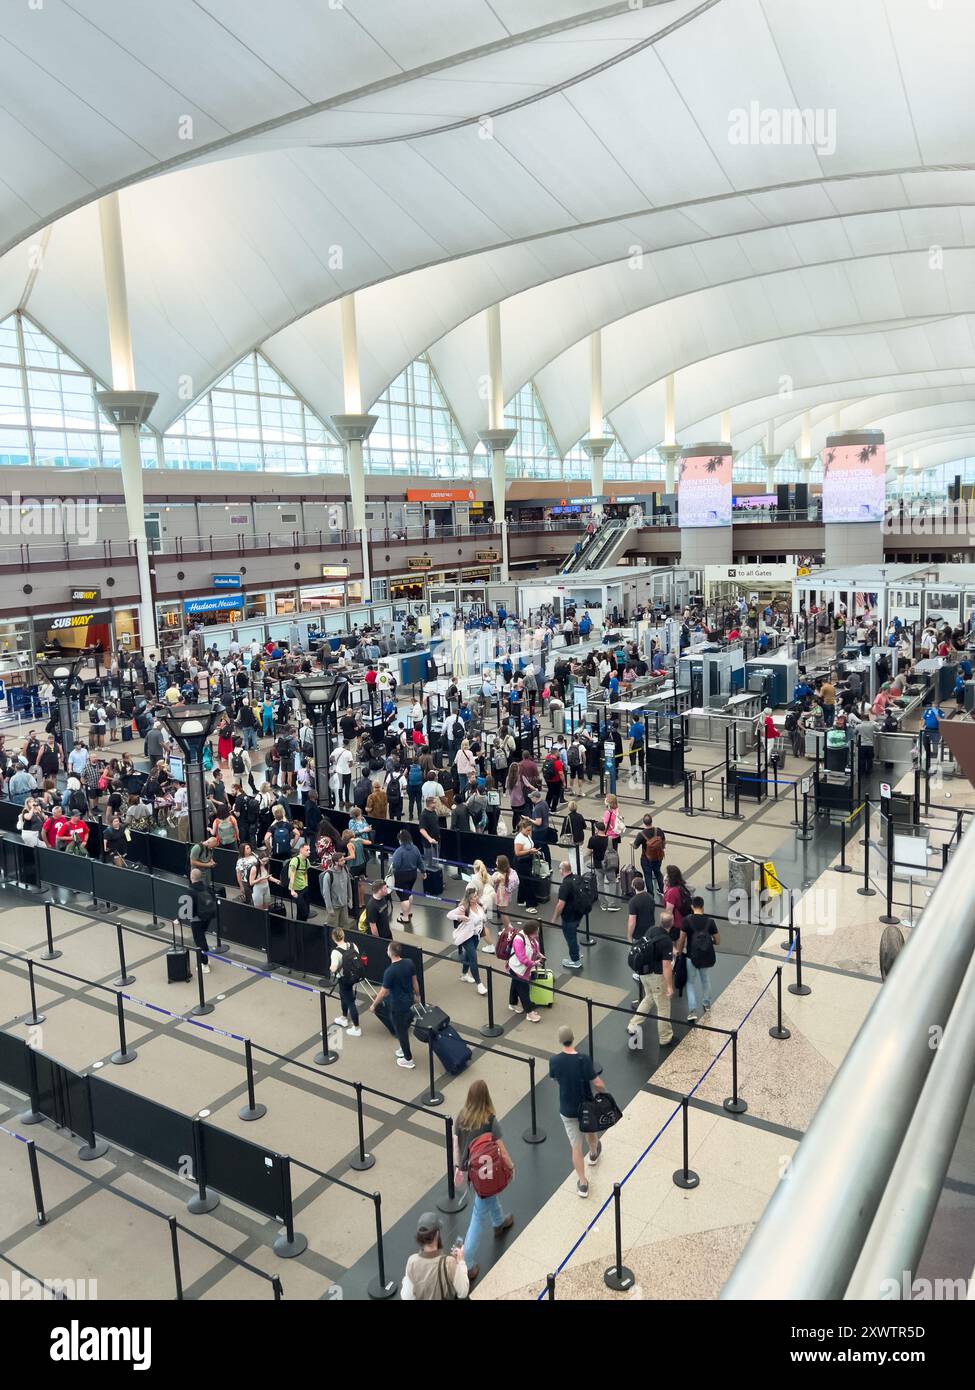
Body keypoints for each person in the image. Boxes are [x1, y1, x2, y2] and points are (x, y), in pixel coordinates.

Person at [453, 1079, 515, 1264]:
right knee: (478, 1215)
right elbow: (501, 1149)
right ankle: (468, 1262)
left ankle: (499, 1222)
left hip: (472, 1170)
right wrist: (511, 1166)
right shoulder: (489, 1119)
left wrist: (458, 1167)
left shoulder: (461, 1117)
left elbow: (456, 1145)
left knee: (487, 1195)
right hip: (488, 1171)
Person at [549, 1024, 605, 1198]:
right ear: (573, 1039)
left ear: (560, 1041)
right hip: (586, 1106)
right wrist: (605, 1093)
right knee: (590, 1129)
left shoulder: (554, 1061)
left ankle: (582, 1183)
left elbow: (555, 1078)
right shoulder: (584, 1059)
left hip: (567, 1109)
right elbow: (597, 1083)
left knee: (576, 1147)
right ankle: (594, 1153)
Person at [369, 940, 420, 1069]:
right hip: (409, 1000)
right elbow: (415, 981)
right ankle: (403, 1049)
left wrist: (374, 1005)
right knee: (404, 1024)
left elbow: (383, 992)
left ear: (390, 953)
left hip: (398, 1005)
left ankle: (408, 1059)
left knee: (401, 1032)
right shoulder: (409, 963)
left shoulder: (390, 972)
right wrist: (418, 995)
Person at [627, 911, 675, 1047]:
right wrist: (670, 986)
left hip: (643, 973)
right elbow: (666, 966)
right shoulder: (666, 941)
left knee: (649, 997)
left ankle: (633, 1025)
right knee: (663, 1006)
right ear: (671, 924)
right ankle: (665, 1037)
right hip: (656, 976)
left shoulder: (651, 929)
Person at [400, 1211, 473, 1300]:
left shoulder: (412, 1262)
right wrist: (461, 1262)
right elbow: (463, 1292)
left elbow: (406, 1296)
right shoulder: (449, 1263)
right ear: (437, 1234)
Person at [677, 896, 718, 1022]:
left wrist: (679, 953)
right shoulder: (710, 922)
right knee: (705, 980)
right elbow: (718, 940)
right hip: (705, 956)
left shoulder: (686, 921)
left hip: (691, 956)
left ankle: (692, 1010)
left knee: (690, 983)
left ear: (692, 907)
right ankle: (706, 1003)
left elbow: (682, 940)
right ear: (703, 906)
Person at [181, 868, 217, 975]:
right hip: (208, 917)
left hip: (196, 920)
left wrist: (179, 919)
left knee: (199, 941)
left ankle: (204, 964)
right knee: (202, 937)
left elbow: (187, 909)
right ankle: (205, 957)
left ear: (192, 877)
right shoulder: (207, 887)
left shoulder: (190, 891)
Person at [507, 919, 543, 1022]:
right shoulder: (519, 940)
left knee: (515, 985)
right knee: (524, 990)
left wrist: (539, 955)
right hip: (517, 968)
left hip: (522, 969)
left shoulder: (529, 937)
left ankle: (512, 1004)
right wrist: (534, 963)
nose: (536, 934)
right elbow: (522, 959)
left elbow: (534, 948)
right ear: (530, 931)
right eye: (535, 932)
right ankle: (529, 1013)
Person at [329, 927, 363, 1037]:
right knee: (343, 996)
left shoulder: (335, 952)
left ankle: (357, 1028)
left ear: (334, 938)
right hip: (355, 976)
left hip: (344, 979)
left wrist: (331, 967)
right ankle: (344, 1017)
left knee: (350, 1002)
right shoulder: (353, 945)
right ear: (343, 935)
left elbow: (334, 968)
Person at [552, 857, 584, 970]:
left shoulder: (565, 885)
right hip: (578, 913)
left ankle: (575, 960)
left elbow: (560, 904)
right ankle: (576, 952)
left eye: (559, 869)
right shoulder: (577, 878)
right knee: (573, 934)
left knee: (570, 937)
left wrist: (555, 917)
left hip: (569, 916)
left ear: (562, 870)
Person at [391, 828, 424, 925]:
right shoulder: (415, 848)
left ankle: (405, 917)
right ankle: (409, 912)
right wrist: (423, 871)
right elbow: (420, 861)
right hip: (413, 874)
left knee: (403, 897)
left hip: (401, 875)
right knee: (409, 892)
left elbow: (396, 864)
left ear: (400, 840)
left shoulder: (399, 851)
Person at [634, 814, 665, 896]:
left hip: (646, 859)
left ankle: (651, 894)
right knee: (658, 873)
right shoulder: (658, 830)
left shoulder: (641, 834)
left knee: (648, 877)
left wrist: (631, 844)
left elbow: (635, 846)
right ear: (651, 821)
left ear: (643, 822)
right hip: (658, 857)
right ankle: (662, 890)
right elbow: (663, 842)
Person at [287, 842, 313, 921]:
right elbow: (292, 876)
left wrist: (306, 884)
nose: (309, 851)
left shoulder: (306, 861)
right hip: (297, 890)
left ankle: (301, 926)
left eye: (309, 850)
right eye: (307, 850)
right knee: (304, 911)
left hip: (304, 887)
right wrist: (292, 890)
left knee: (303, 911)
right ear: (301, 850)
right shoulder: (295, 861)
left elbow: (305, 873)